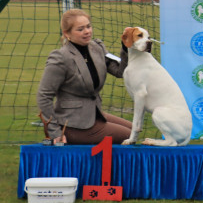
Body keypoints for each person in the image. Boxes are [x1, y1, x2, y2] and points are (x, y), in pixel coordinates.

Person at [36, 9, 132, 144]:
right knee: (128, 134)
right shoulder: (60, 58)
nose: (87, 31)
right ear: (67, 33)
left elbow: (120, 72)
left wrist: (126, 46)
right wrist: (54, 131)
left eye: (88, 26)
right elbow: (43, 95)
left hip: (93, 114)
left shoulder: (97, 47)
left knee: (133, 129)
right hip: (72, 124)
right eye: (80, 29)